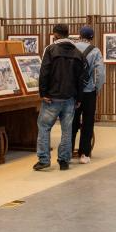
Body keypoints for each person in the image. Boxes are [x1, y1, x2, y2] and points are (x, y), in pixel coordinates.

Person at [35, 24, 86, 171]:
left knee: (44, 127)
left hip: (52, 97)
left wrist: (43, 93)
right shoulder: (78, 53)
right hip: (70, 98)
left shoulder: (50, 50)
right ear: (67, 34)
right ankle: (64, 161)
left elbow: (44, 72)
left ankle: (44, 160)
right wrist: (79, 98)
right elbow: (81, 78)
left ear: (55, 35)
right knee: (67, 130)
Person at [71, 25, 105, 164]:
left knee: (71, 122)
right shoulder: (95, 51)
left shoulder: (71, 48)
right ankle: (84, 154)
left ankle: (67, 152)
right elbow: (100, 73)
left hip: (72, 92)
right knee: (88, 122)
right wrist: (97, 88)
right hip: (88, 92)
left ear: (79, 35)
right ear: (92, 37)